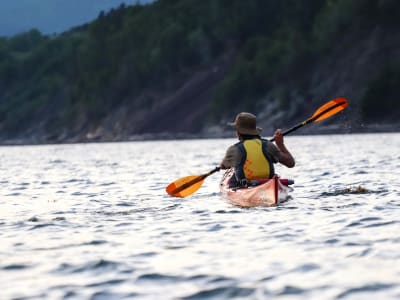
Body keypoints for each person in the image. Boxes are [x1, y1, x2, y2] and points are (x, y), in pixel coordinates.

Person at [220, 112, 295, 187]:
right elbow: (291, 163)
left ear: (238, 133)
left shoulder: (234, 149)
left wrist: (225, 164)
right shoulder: (268, 145)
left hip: (246, 186)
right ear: (255, 131)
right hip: (268, 184)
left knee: (232, 179)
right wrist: (280, 144)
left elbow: (224, 166)